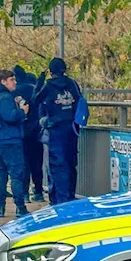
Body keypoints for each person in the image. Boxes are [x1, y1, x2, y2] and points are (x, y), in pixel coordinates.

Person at [33, 58, 84, 205]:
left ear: (51, 71)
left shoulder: (49, 86)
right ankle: (70, 196)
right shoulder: (72, 84)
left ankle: (59, 199)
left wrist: (40, 80)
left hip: (55, 128)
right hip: (72, 128)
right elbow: (79, 101)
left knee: (57, 164)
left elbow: (35, 99)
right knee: (70, 162)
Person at [0, 70, 29, 218]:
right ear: (3, 82)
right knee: (16, 175)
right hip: (11, 140)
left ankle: (0, 207)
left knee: (0, 175)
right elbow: (10, 116)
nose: (14, 82)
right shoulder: (5, 97)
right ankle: (20, 207)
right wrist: (22, 111)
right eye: (11, 80)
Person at [13, 66, 44, 202]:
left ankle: (24, 193)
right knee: (37, 163)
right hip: (36, 130)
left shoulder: (15, 91)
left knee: (23, 163)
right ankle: (38, 191)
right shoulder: (34, 88)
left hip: (21, 132)